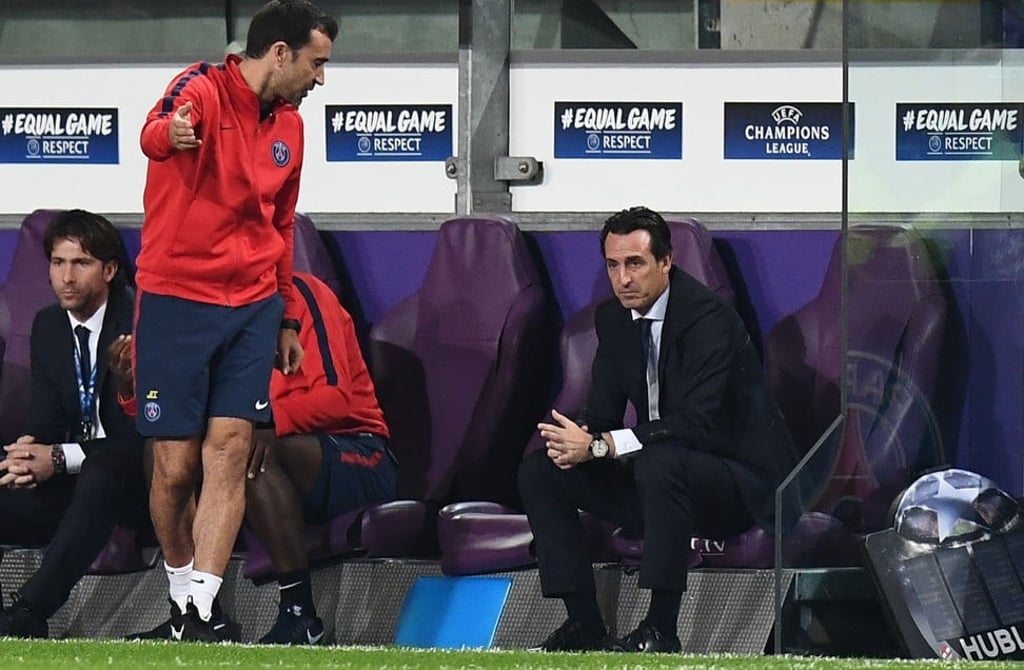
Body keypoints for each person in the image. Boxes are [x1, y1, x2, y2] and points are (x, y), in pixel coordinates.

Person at [134, 0, 337, 641]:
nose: (321, 79)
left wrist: (285, 320)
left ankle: (199, 613)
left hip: (252, 306)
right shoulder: (199, 87)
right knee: (174, 470)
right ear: (280, 53)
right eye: (317, 63)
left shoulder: (292, 130)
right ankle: (179, 589)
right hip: (176, 301)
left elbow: (281, 227)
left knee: (231, 451)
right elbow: (154, 130)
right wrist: (175, 136)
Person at [519, 206, 798, 653]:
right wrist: (580, 442)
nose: (623, 279)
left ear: (666, 262)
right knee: (543, 470)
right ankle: (584, 625)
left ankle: (661, 629)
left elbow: (695, 424)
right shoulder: (613, 319)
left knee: (659, 460)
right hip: (662, 483)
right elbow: (604, 414)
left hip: (737, 485)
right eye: (613, 265)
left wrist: (604, 445)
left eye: (635, 264)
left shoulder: (710, 320)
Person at [123, 272, 396, 645]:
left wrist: (263, 419)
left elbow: (336, 398)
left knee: (245, 451)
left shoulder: (304, 294)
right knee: (163, 452)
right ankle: (195, 615)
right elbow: (170, 413)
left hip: (356, 450)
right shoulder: (196, 307)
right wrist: (128, 390)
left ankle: (301, 614)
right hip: (262, 444)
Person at [0, 209, 149, 638]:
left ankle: (30, 610)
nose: (66, 277)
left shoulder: (140, 321)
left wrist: (59, 457)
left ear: (110, 269)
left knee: (102, 471)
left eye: (80, 263)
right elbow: (47, 422)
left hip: (138, 482)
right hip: (77, 482)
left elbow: (138, 436)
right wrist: (28, 452)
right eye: (57, 263)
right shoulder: (48, 325)